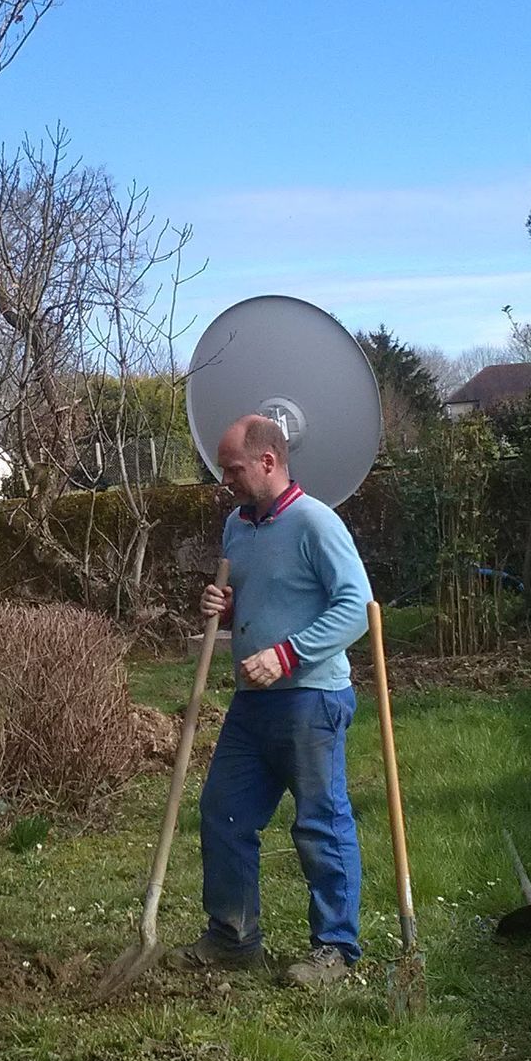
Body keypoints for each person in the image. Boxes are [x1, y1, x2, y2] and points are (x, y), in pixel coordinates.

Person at [172, 412, 372, 986]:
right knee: (223, 812)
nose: (225, 480)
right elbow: (258, 597)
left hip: (311, 696)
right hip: (251, 701)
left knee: (319, 823)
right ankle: (234, 937)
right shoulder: (238, 525)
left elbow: (357, 607)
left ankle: (335, 951)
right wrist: (228, 609)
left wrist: (288, 653)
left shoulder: (316, 523)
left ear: (268, 461)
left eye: (233, 469)